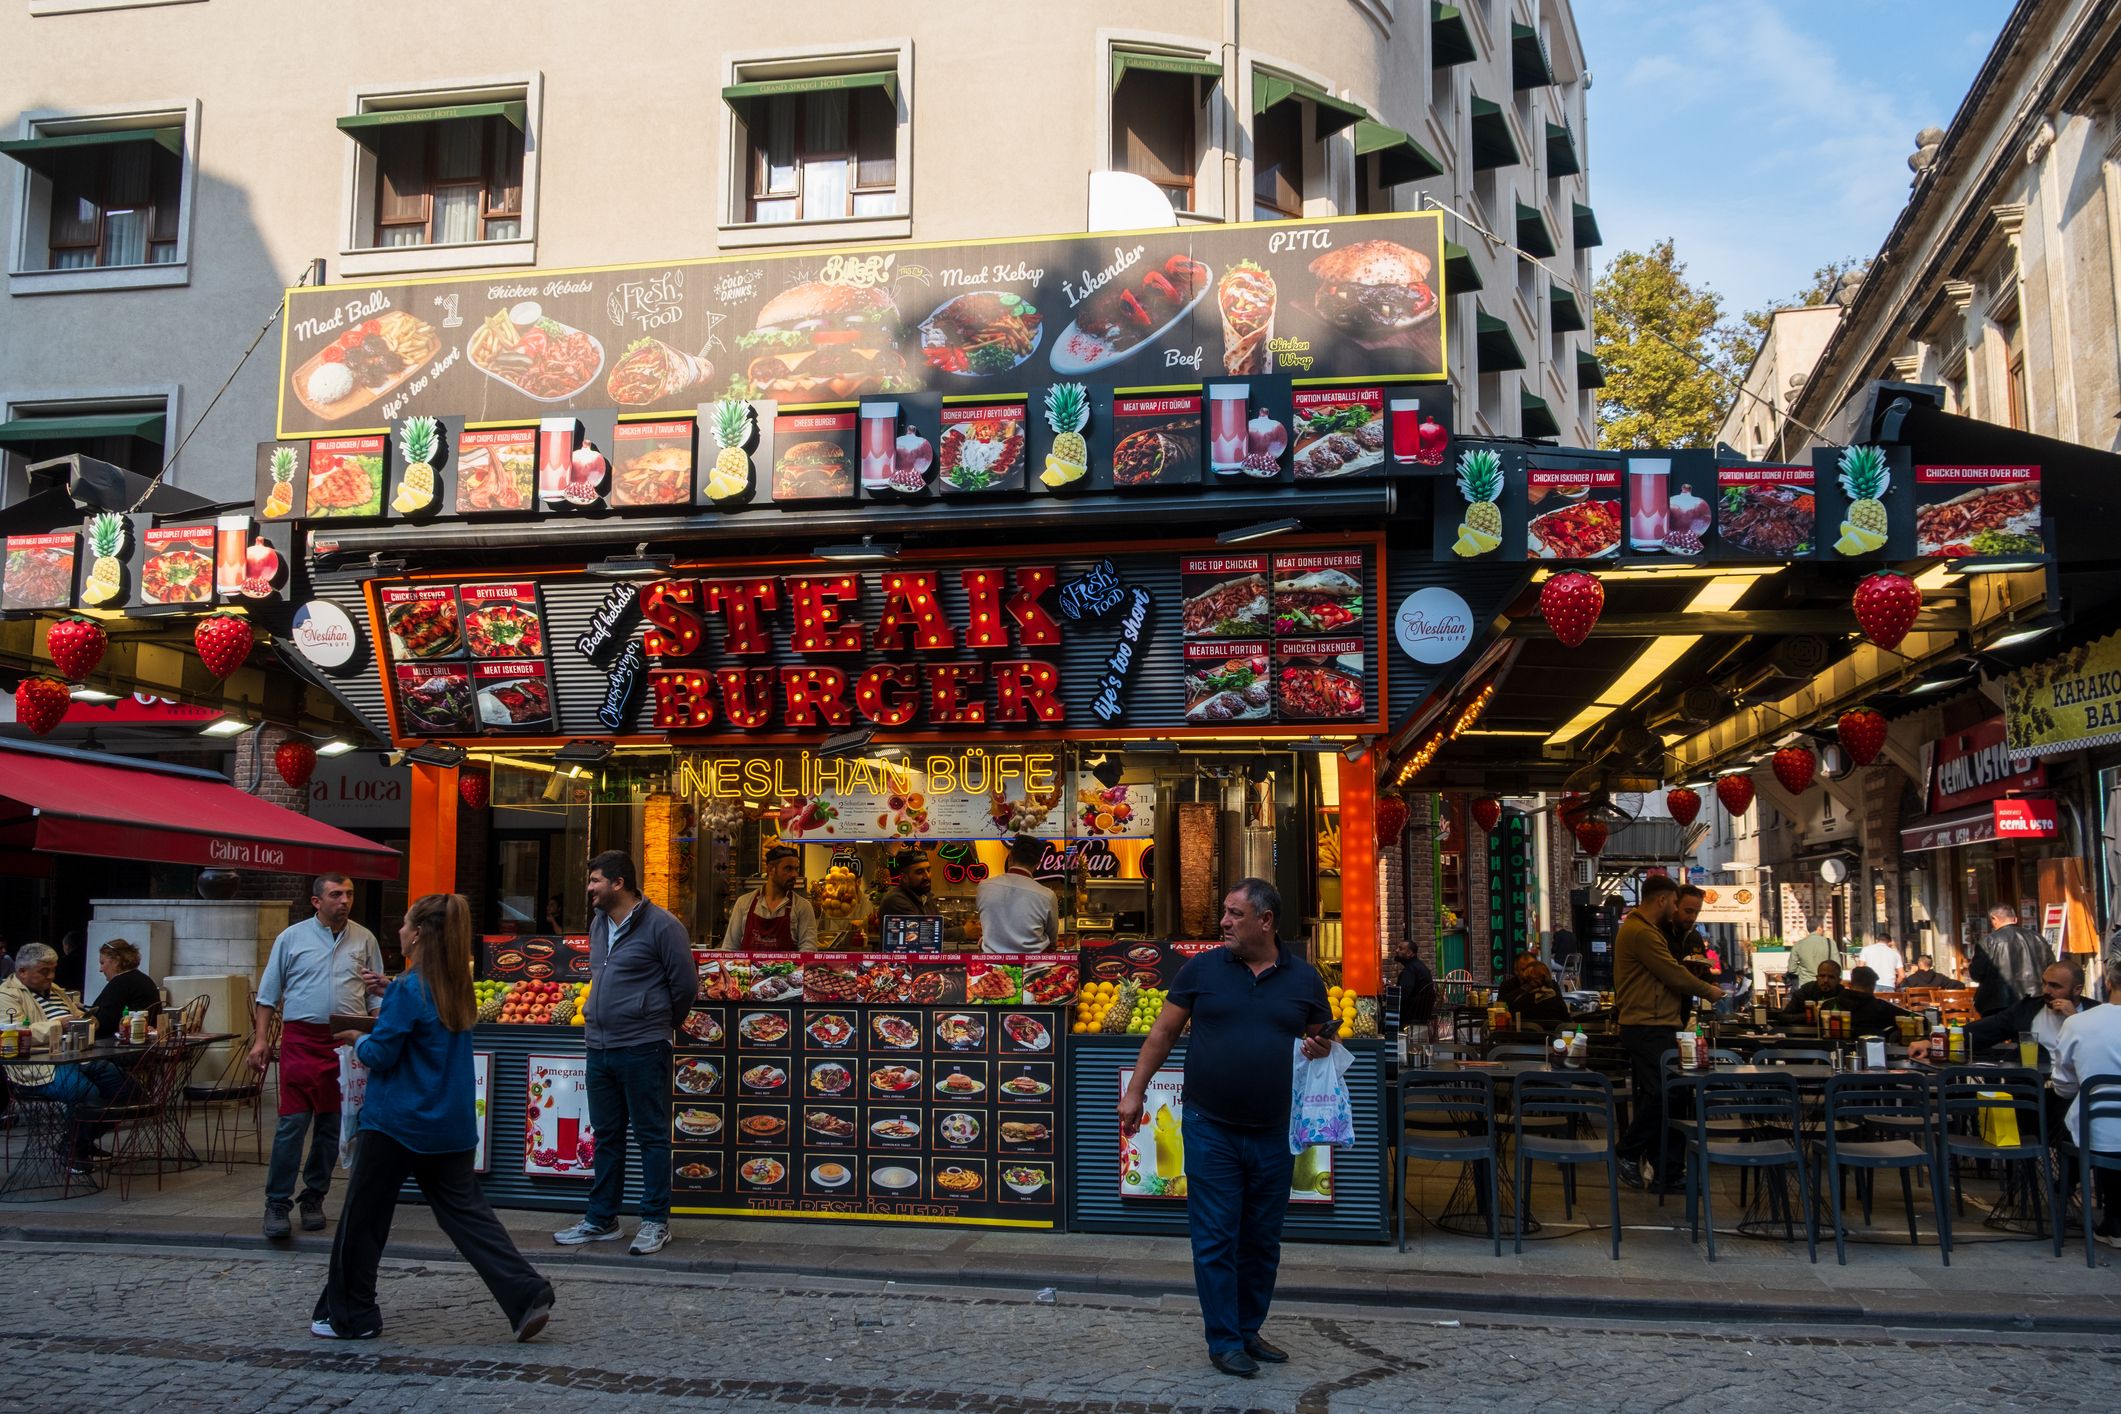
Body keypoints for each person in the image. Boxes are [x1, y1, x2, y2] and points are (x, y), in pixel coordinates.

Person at [313, 894, 554, 1342]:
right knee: (468, 1217)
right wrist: (391, 993)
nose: (399, 932)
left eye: (405, 924)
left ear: (420, 932)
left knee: (363, 1220)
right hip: (451, 1122)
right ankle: (526, 1293)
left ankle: (352, 1314)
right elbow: (425, 1026)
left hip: (398, 1122)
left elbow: (382, 1054)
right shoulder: (453, 984)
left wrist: (354, 1041)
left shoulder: (410, 988)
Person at [1119, 880, 1332, 1379]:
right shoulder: (1202, 969)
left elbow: (1319, 1037)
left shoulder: (1304, 980)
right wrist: (1135, 1092)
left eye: (1235, 913)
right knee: (1215, 1235)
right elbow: (1164, 1032)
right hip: (1208, 1124)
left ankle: (1248, 1328)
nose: (1224, 922)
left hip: (1275, 1131)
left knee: (1262, 1237)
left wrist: (1320, 1046)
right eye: (1224, 913)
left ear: (1266, 920)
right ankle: (1224, 1340)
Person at [556, 850, 697, 1256]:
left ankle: (655, 1221)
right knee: (606, 1136)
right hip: (598, 1045)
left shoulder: (663, 926)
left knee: (651, 1136)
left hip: (642, 1046)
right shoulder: (599, 924)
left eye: (595, 880)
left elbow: (685, 986)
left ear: (619, 883)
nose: (589, 889)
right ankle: (602, 1220)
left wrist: (656, 1022)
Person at [254, 874, 386, 1240]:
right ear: (316, 901)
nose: (344, 900)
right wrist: (260, 1040)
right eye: (336, 894)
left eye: (349, 894)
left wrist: (375, 1037)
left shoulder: (365, 938)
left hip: (344, 1043)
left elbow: (375, 997)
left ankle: (314, 1197)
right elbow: (267, 995)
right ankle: (277, 1202)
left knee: (331, 1129)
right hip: (300, 1039)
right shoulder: (291, 938)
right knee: (291, 1126)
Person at [1611, 876, 1723, 1192]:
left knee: (1668, 1094)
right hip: (1647, 1025)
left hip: (1659, 1022)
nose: (1678, 911)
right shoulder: (1641, 932)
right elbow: (1671, 973)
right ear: (1663, 900)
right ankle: (1627, 1152)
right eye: (1676, 903)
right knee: (1666, 1092)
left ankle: (1665, 1170)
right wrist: (1709, 990)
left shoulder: (1643, 930)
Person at [0, 942, 122, 1174]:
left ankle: (80, 1140)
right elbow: (11, 1033)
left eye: (53, 970)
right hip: (39, 1065)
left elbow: (77, 1016)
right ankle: (74, 1149)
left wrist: (87, 1021)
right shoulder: (7, 995)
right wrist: (58, 1024)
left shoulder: (55, 990)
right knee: (86, 1093)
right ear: (22, 972)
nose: (51, 976)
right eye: (44, 971)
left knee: (125, 1090)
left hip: (78, 1056)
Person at [2052, 960, 2121, 1248]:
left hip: (2095, 1132)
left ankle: (2063, 1196)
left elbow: (2063, 1086)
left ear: (2108, 983)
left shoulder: (2078, 1023)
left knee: (2072, 1127)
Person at [1967, 959, 2101, 1056]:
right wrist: (1951, 1036)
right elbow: (1988, 1029)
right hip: (2035, 1086)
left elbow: (2104, 1050)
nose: (2046, 990)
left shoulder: (2097, 1013)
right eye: (2044, 983)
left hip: (2078, 1088)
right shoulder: (2028, 1009)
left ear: (2077, 990)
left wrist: (2076, 1020)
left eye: (2055, 986)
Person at [720, 844, 818, 950]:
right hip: (746, 967)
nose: (794, 874)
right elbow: (729, 948)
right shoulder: (744, 903)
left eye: (796, 869)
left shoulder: (802, 907)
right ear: (771, 869)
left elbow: (808, 952)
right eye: (788, 869)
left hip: (787, 967)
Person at [975, 836, 1060, 955]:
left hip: (992, 965)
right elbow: (1052, 941)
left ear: (1010, 858)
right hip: (1032, 966)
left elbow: (988, 925)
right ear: (1037, 864)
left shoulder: (984, 887)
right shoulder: (1047, 895)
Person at [88, 938, 160, 1039]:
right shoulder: (144, 979)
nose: (101, 969)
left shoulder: (120, 983)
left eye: (102, 963)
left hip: (120, 1045)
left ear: (116, 961)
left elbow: (104, 1021)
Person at [1981, 905, 2048, 1009]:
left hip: (2002, 1001)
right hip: (2036, 998)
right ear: (2015, 919)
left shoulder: (1989, 941)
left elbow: (1977, 972)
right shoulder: (2037, 938)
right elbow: (2051, 967)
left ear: (1994, 919)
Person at [1819, 966, 1909, 1036]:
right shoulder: (1881, 1008)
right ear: (1872, 987)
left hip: (1833, 1054)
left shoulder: (1828, 1006)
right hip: (1871, 1054)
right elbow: (1913, 1018)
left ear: (1850, 984)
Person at [873, 849, 938, 922]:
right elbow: (925, 930)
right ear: (904, 877)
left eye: (928, 870)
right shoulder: (895, 900)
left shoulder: (925, 896)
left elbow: (938, 925)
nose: (927, 876)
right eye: (919, 872)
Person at [1777, 959, 1845, 1021]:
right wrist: (1810, 1016)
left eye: (1831, 977)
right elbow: (1784, 1016)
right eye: (1822, 976)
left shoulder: (1843, 995)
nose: (1825, 980)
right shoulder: (1805, 991)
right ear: (1817, 977)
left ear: (1838, 980)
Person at [1390, 938, 1437, 1028]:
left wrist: (1388, 996)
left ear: (1409, 953)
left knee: (1382, 1014)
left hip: (1412, 1012)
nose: (1396, 950)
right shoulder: (1419, 966)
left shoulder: (1410, 970)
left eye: (1401, 949)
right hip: (1422, 1011)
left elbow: (1403, 993)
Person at [1511, 957, 1570, 1025]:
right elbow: (1568, 1024)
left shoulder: (1518, 1002)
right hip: (1553, 1035)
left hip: (1527, 1035)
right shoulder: (1556, 1001)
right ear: (1547, 977)